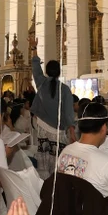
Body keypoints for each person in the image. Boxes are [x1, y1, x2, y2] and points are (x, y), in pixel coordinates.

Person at [28, 32, 76, 178]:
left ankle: (43, 186)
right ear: (59, 72)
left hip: (42, 128)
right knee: (58, 163)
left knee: (43, 160)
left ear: (47, 71)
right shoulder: (65, 90)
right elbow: (68, 113)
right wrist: (72, 131)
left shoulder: (41, 84)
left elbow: (36, 67)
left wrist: (34, 48)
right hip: (59, 132)